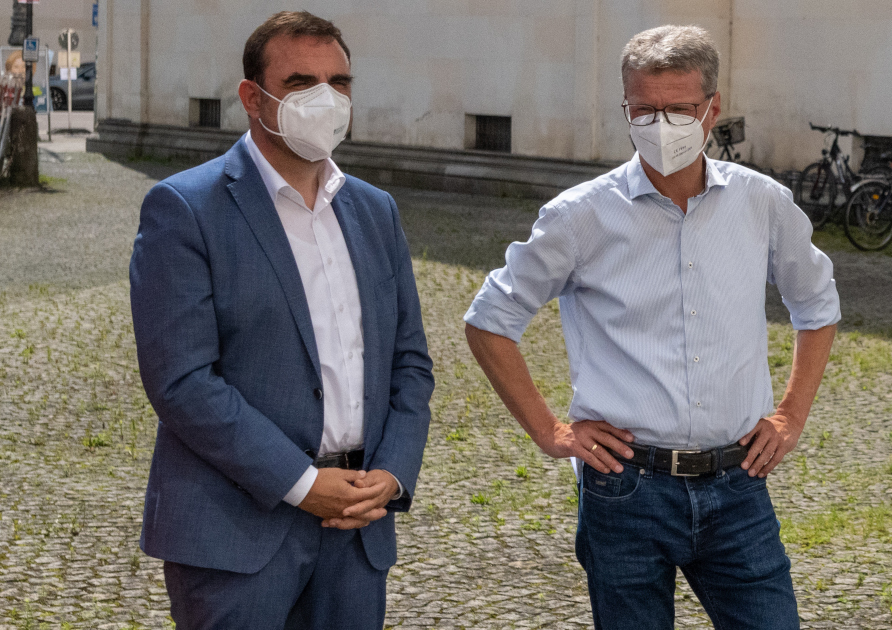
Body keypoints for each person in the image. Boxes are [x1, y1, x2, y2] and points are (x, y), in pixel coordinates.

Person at [464, 24, 839, 630]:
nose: (660, 124)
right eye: (643, 110)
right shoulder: (579, 216)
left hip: (738, 481)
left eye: (679, 109)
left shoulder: (761, 202)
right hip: (626, 488)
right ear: (625, 108)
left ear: (712, 108)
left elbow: (817, 305)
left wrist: (791, 414)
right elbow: (489, 322)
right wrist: (553, 432)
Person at [129, 11, 433, 629]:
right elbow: (182, 381)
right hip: (234, 536)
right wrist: (299, 482)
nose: (326, 98)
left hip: (357, 531)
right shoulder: (184, 208)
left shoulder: (376, 211)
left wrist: (393, 473)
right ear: (253, 97)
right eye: (301, 82)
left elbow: (410, 361)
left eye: (340, 82)